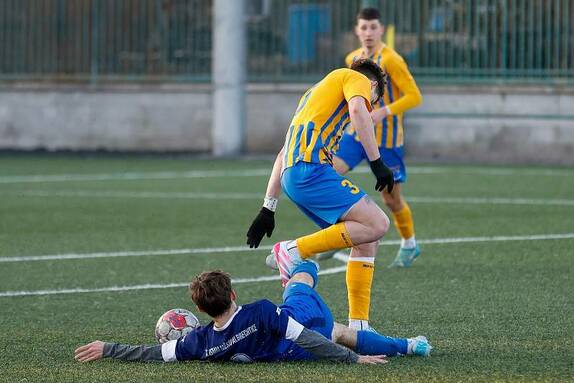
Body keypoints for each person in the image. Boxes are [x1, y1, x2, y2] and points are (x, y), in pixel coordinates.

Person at [246, 59, 394, 332]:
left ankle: (359, 324)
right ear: (372, 85)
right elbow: (359, 110)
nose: (369, 106)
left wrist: (268, 209)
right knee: (379, 223)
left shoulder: (313, 95)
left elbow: (283, 152)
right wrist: (376, 162)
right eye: (373, 101)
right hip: (311, 170)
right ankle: (292, 250)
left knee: (366, 238)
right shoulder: (356, 79)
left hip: (294, 175)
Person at [75, 261, 432, 364]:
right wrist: (351, 361)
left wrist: (108, 348)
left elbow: (153, 352)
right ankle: (290, 257)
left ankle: (409, 346)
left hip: (296, 352)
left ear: (199, 310)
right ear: (233, 293)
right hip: (300, 319)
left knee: (338, 332)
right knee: (300, 277)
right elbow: (303, 333)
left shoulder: (199, 344)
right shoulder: (260, 311)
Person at [333, 7, 423, 268]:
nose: (368, 32)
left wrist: (384, 111)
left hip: (387, 140)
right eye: (364, 27)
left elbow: (414, 96)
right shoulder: (353, 58)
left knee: (391, 198)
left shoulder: (392, 60)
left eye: (373, 27)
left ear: (381, 30)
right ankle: (339, 231)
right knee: (330, 173)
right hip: (357, 135)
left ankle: (409, 244)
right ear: (356, 31)